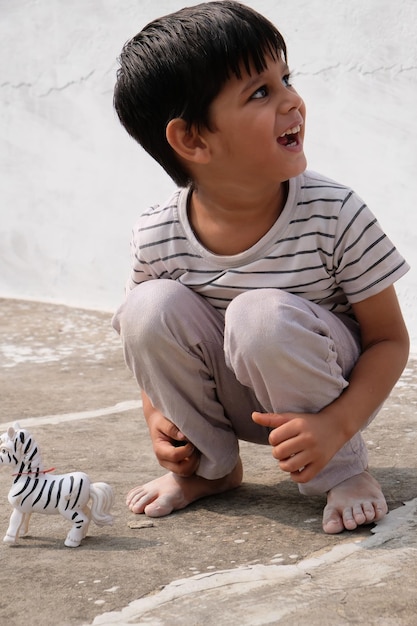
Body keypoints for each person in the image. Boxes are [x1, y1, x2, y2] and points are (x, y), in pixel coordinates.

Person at [112, 1, 410, 534]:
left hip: (317, 393)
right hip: (232, 394)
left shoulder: (334, 211)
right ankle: (210, 469)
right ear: (193, 140)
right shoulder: (157, 232)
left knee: (260, 315)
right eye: (260, 92)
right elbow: (148, 342)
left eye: (286, 78)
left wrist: (336, 425)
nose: (293, 100)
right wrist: (157, 415)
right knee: (145, 306)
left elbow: (389, 340)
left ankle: (342, 473)